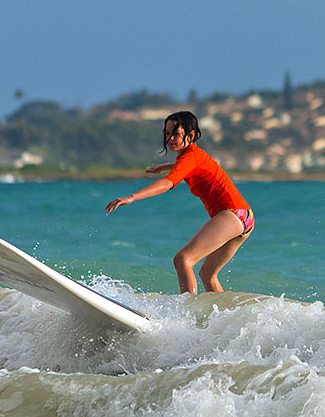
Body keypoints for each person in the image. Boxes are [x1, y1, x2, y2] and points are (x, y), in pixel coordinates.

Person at [105, 111, 254, 294]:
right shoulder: (193, 155)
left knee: (183, 259)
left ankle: (188, 314)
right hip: (244, 217)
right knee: (207, 275)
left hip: (232, 214)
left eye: (175, 134)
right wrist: (167, 166)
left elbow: (167, 183)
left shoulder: (191, 157)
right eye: (167, 133)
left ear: (190, 135)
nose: (170, 138)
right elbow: (194, 168)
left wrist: (132, 197)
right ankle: (222, 318)